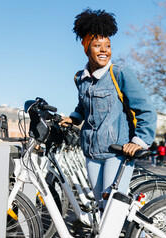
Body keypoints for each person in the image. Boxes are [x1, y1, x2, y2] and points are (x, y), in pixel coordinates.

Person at [59, 9, 157, 209]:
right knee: (101, 203)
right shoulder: (80, 78)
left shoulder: (120, 74)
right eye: (97, 45)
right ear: (86, 47)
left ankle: (140, 232)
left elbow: (147, 110)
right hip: (91, 153)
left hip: (118, 152)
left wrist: (138, 142)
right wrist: (74, 118)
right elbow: (84, 104)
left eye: (108, 46)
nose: (104, 50)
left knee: (112, 205)